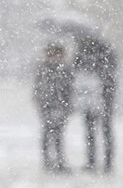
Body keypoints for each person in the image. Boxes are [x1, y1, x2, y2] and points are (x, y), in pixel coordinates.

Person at [72, 36, 117, 173]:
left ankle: (105, 162)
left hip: (103, 97)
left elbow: (111, 70)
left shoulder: (103, 51)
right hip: (90, 98)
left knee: (102, 131)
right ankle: (94, 161)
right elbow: (75, 70)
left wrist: (96, 70)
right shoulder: (81, 52)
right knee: (92, 131)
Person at [32, 42, 74, 173]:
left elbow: (69, 89)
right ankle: (48, 160)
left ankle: (59, 160)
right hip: (48, 105)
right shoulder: (44, 68)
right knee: (48, 132)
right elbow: (38, 88)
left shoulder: (65, 70)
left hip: (60, 105)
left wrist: (67, 104)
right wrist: (41, 101)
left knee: (58, 133)